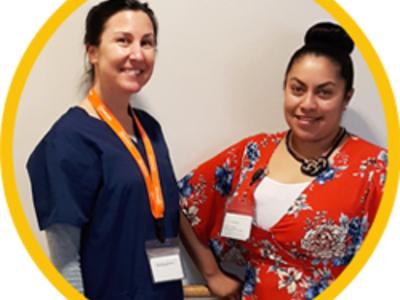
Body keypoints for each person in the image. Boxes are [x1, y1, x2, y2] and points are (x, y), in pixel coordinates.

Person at [179, 22, 387, 299]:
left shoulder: (375, 169)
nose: (307, 104)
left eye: (324, 92)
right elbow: (179, 200)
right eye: (297, 89)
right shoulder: (254, 153)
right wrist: (212, 274)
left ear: (346, 97)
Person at [26, 0, 183, 299]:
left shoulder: (150, 129)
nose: (137, 54)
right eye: (123, 40)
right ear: (93, 51)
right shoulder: (68, 139)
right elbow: (65, 260)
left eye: (147, 43)